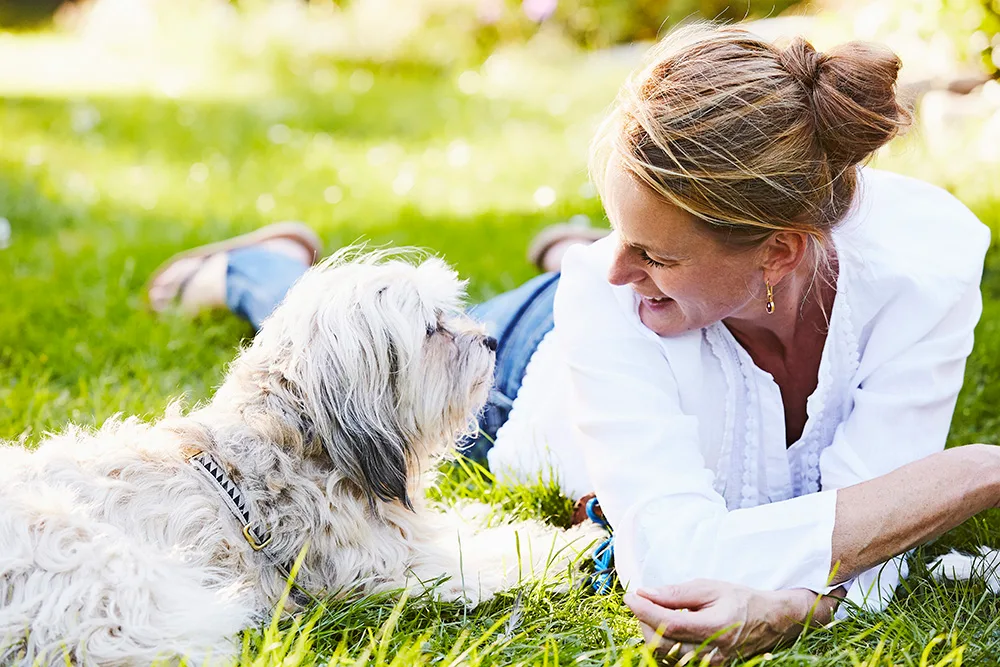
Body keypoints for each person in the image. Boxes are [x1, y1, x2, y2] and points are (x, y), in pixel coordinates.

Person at [147, 25, 995, 663]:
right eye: (624, 236)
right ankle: (253, 270)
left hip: (679, 308)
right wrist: (976, 471)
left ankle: (576, 243)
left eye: (651, 247)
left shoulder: (928, 262)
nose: (617, 269)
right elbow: (675, 561)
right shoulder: (605, 293)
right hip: (522, 378)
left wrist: (804, 599)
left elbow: (880, 549)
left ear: (778, 249)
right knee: (355, 359)